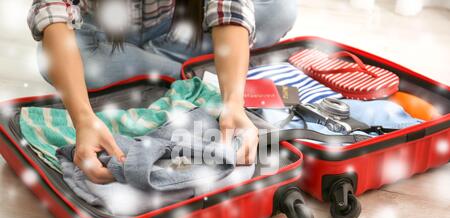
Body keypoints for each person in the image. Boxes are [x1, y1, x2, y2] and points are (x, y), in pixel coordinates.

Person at [27, 0, 298, 183]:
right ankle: (180, 71)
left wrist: (233, 103)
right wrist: (84, 119)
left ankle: (156, 69)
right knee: (53, 58)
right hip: (101, 33)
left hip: (177, 24)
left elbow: (229, 5)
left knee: (280, 9)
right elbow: (51, 11)